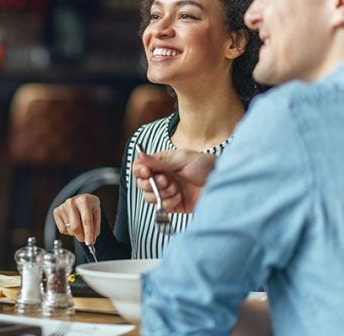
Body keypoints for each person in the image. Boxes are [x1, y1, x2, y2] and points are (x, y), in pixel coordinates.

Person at [133, 0, 344, 333]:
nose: (252, 15)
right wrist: (231, 184)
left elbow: (178, 306)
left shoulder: (291, 117)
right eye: (156, 15)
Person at [53, 0, 263, 260]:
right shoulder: (143, 143)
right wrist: (93, 229)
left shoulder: (269, 149)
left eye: (186, 15)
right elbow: (129, 265)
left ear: (235, 43)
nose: (159, 29)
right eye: (155, 15)